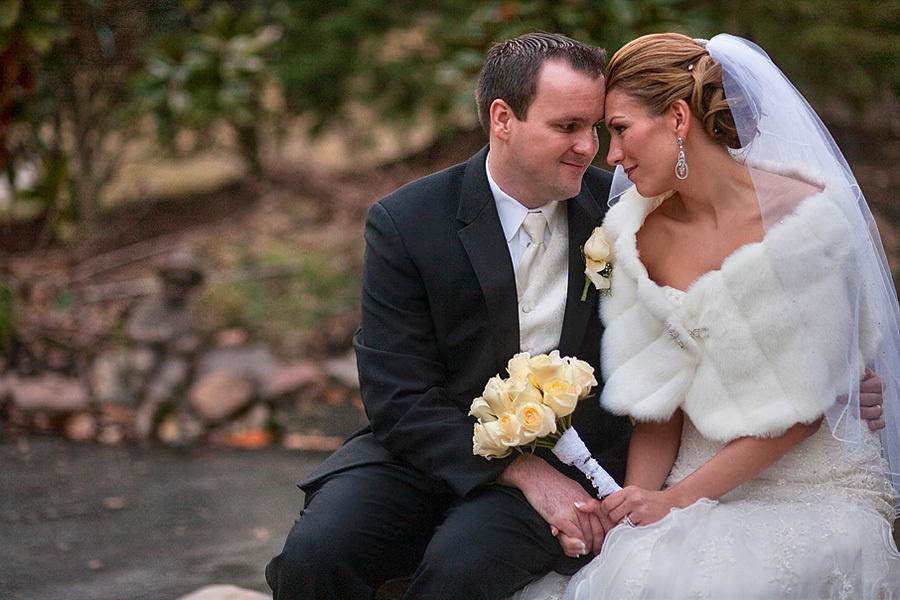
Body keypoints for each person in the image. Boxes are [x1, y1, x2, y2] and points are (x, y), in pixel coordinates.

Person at [264, 32, 634, 600]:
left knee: (459, 570)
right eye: (567, 127)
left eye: (596, 128)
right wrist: (520, 470)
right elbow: (396, 394)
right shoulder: (408, 221)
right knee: (318, 554)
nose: (590, 147)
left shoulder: (620, 213)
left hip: (570, 457)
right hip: (429, 450)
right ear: (503, 119)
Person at [558, 32, 900, 599]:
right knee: (635, 571)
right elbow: (657, 403)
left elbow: (804, 413)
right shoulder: (636, 238)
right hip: (693, 471)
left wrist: (675, 501)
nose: (610, 156)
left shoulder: (808, 218)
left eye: (619, 129)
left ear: (677, 117)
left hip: (812, 480)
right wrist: (636, 509)